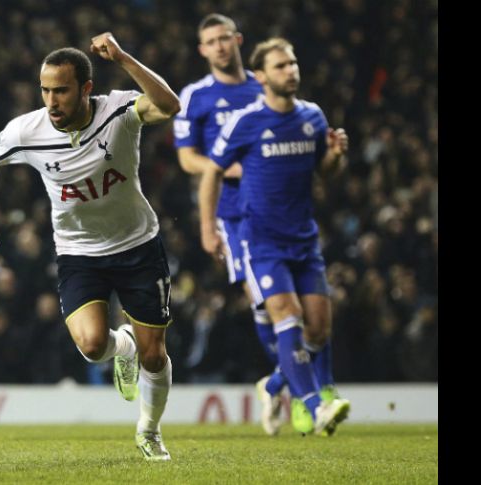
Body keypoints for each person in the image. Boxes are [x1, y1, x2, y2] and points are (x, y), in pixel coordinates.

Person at [0, 33, 180, 460]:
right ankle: (122, 347)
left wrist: (123, 58)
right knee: (91, 345)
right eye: (45, 90)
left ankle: (149, 429)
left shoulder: (118, 110)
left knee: (155, 355)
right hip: (78, 252)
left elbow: (170, 105)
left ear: (86, 88)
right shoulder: (28, 130)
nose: (51, 101)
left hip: (138, 244)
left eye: (61, 90)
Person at [198, 37, 351, 436]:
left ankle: (274, 385)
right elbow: (212, 171)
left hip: (304, 239)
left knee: (318, 331)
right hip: (261, 240)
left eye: (293, 63)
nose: (291, 71)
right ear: (262, 76)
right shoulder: (245, 121)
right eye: (281, 66)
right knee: (287, 315)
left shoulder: (313, 116)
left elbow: (324, 171)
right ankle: (316, 407)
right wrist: (208, 228)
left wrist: (335, 155)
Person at [173, 14, 288, 435]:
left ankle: (281, 383)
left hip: (282, 206)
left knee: (299, 303)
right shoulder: (195, 96)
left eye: (225, 38)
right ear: (202, 50)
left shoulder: (265, 85)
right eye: (211, 41)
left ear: (238, 40)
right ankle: (297, 386)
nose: (220, 46)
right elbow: (187, 158)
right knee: (264, 299)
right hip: (235, 212)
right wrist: (227, 167)